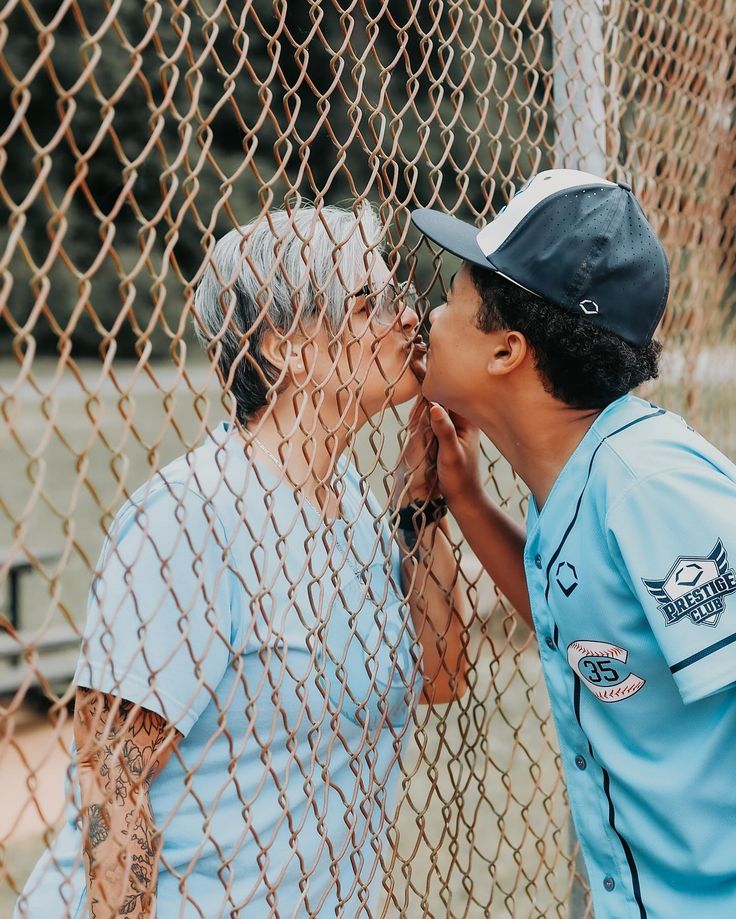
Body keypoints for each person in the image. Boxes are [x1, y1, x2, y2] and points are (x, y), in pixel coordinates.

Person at [16, 204, 468, 918]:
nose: (408, 315)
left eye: (399, 291)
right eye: (371, 301)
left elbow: (441, 677)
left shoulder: (348, 503)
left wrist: (421, 502)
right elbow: (111, 785)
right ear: (285, 344)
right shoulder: (191, 518)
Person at [411, 168, 736, 919]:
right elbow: (593, 619)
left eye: (453, 301)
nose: (428, 314)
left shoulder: (649, 488)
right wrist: (465, 500)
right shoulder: (580, 475)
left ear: (507, 352)